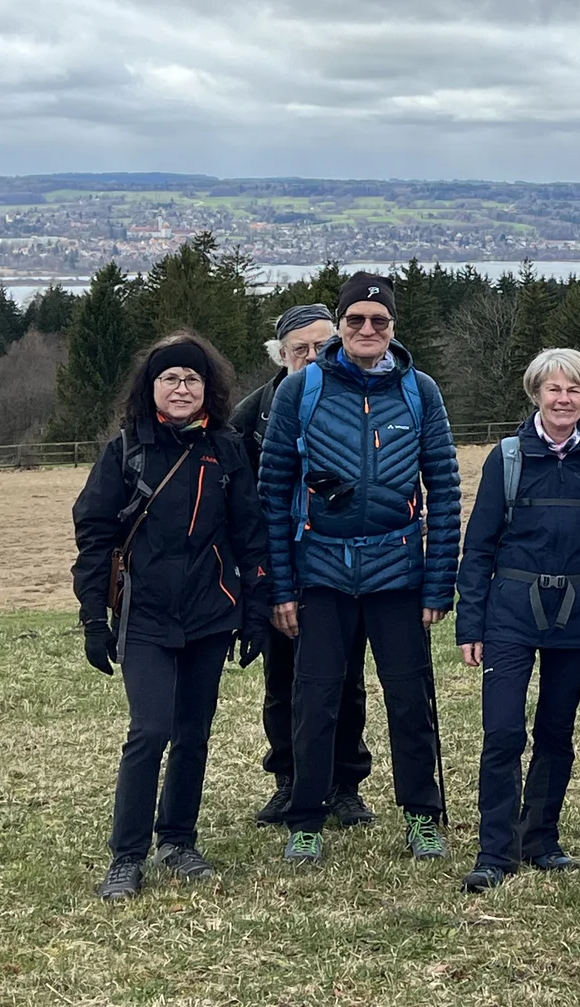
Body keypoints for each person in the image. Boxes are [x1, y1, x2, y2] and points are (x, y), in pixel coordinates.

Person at [258, 271, 462, 866]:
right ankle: (307, 818)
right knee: (314, 699)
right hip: (320, 572)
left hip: (398, 572)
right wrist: (283, 586)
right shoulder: (303, 391)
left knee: (410, 699)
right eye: (355, 320)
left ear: (393, 328)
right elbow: (275, 493)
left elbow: (444, 489)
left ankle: (423, 816)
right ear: (339, 328)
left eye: (379, 320)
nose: (367, 329)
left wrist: (437, 580)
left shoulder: (420, 390)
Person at [72, 332, 271, 903]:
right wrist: (92, 618)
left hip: (211, 614)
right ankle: (126, 855)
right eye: (170, 379)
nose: (182, 388)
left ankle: (178, 841)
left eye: (192, 379)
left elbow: (249, 536)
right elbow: (95, 535)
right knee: (150, 730)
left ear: (208, 388)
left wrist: (254, 611)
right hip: (146, 615)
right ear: (151, 388)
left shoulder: (227, 450)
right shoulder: (126, 450)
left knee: (192, 734)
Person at [454, 348, 580, 892]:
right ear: (536, 393)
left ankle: (542, 839)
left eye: (573, 390)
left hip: (577, 617)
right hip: (509, 613)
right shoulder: (506, 459)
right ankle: (495, 850)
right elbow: (479, 546)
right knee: (503, 732)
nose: (563, 399)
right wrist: (471, 623)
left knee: (556, 731)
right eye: (554, 390)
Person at [232, 304, 376, 832]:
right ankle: (289, 780)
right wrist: (265, 583)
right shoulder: (251, 417)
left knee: (347, 681)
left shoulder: (358, 400)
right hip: (282, 571)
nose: (313, 357)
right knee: (284, 680)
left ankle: (344, 784)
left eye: (322, 346)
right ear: (282, 356)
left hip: (343, 569)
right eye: (301, 350)